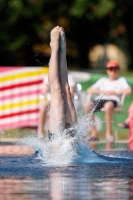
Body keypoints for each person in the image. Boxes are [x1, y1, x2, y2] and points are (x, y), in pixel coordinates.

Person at [84, 60, 132, 142]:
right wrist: (102, 92)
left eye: (115, 69)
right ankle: (94, 133)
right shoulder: (102, 80)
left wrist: (116, 92)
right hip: (100, 99)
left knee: (108, 105)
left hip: (113, 101)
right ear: (107, 71)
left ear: (118, 70)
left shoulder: (121, 80)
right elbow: (89, 90)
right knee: (87, 105)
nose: (113, 71)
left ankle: (109, 133)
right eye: (111, 69)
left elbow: (129, 91)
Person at [43, 26, 77, 140]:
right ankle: (57, 48)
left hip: (59, 144)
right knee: (62, 90)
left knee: (62, 91)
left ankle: (59, 49)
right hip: (62, 146)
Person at [37, 72, 75, 139]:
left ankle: (70, 132)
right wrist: (47, 85)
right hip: (53, 99)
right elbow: (44, 91)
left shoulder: (68, 76)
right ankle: (40, 132)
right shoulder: (48, 77)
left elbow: (71, 92)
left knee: (65, 107)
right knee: (44, 106)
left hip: (64, 99)